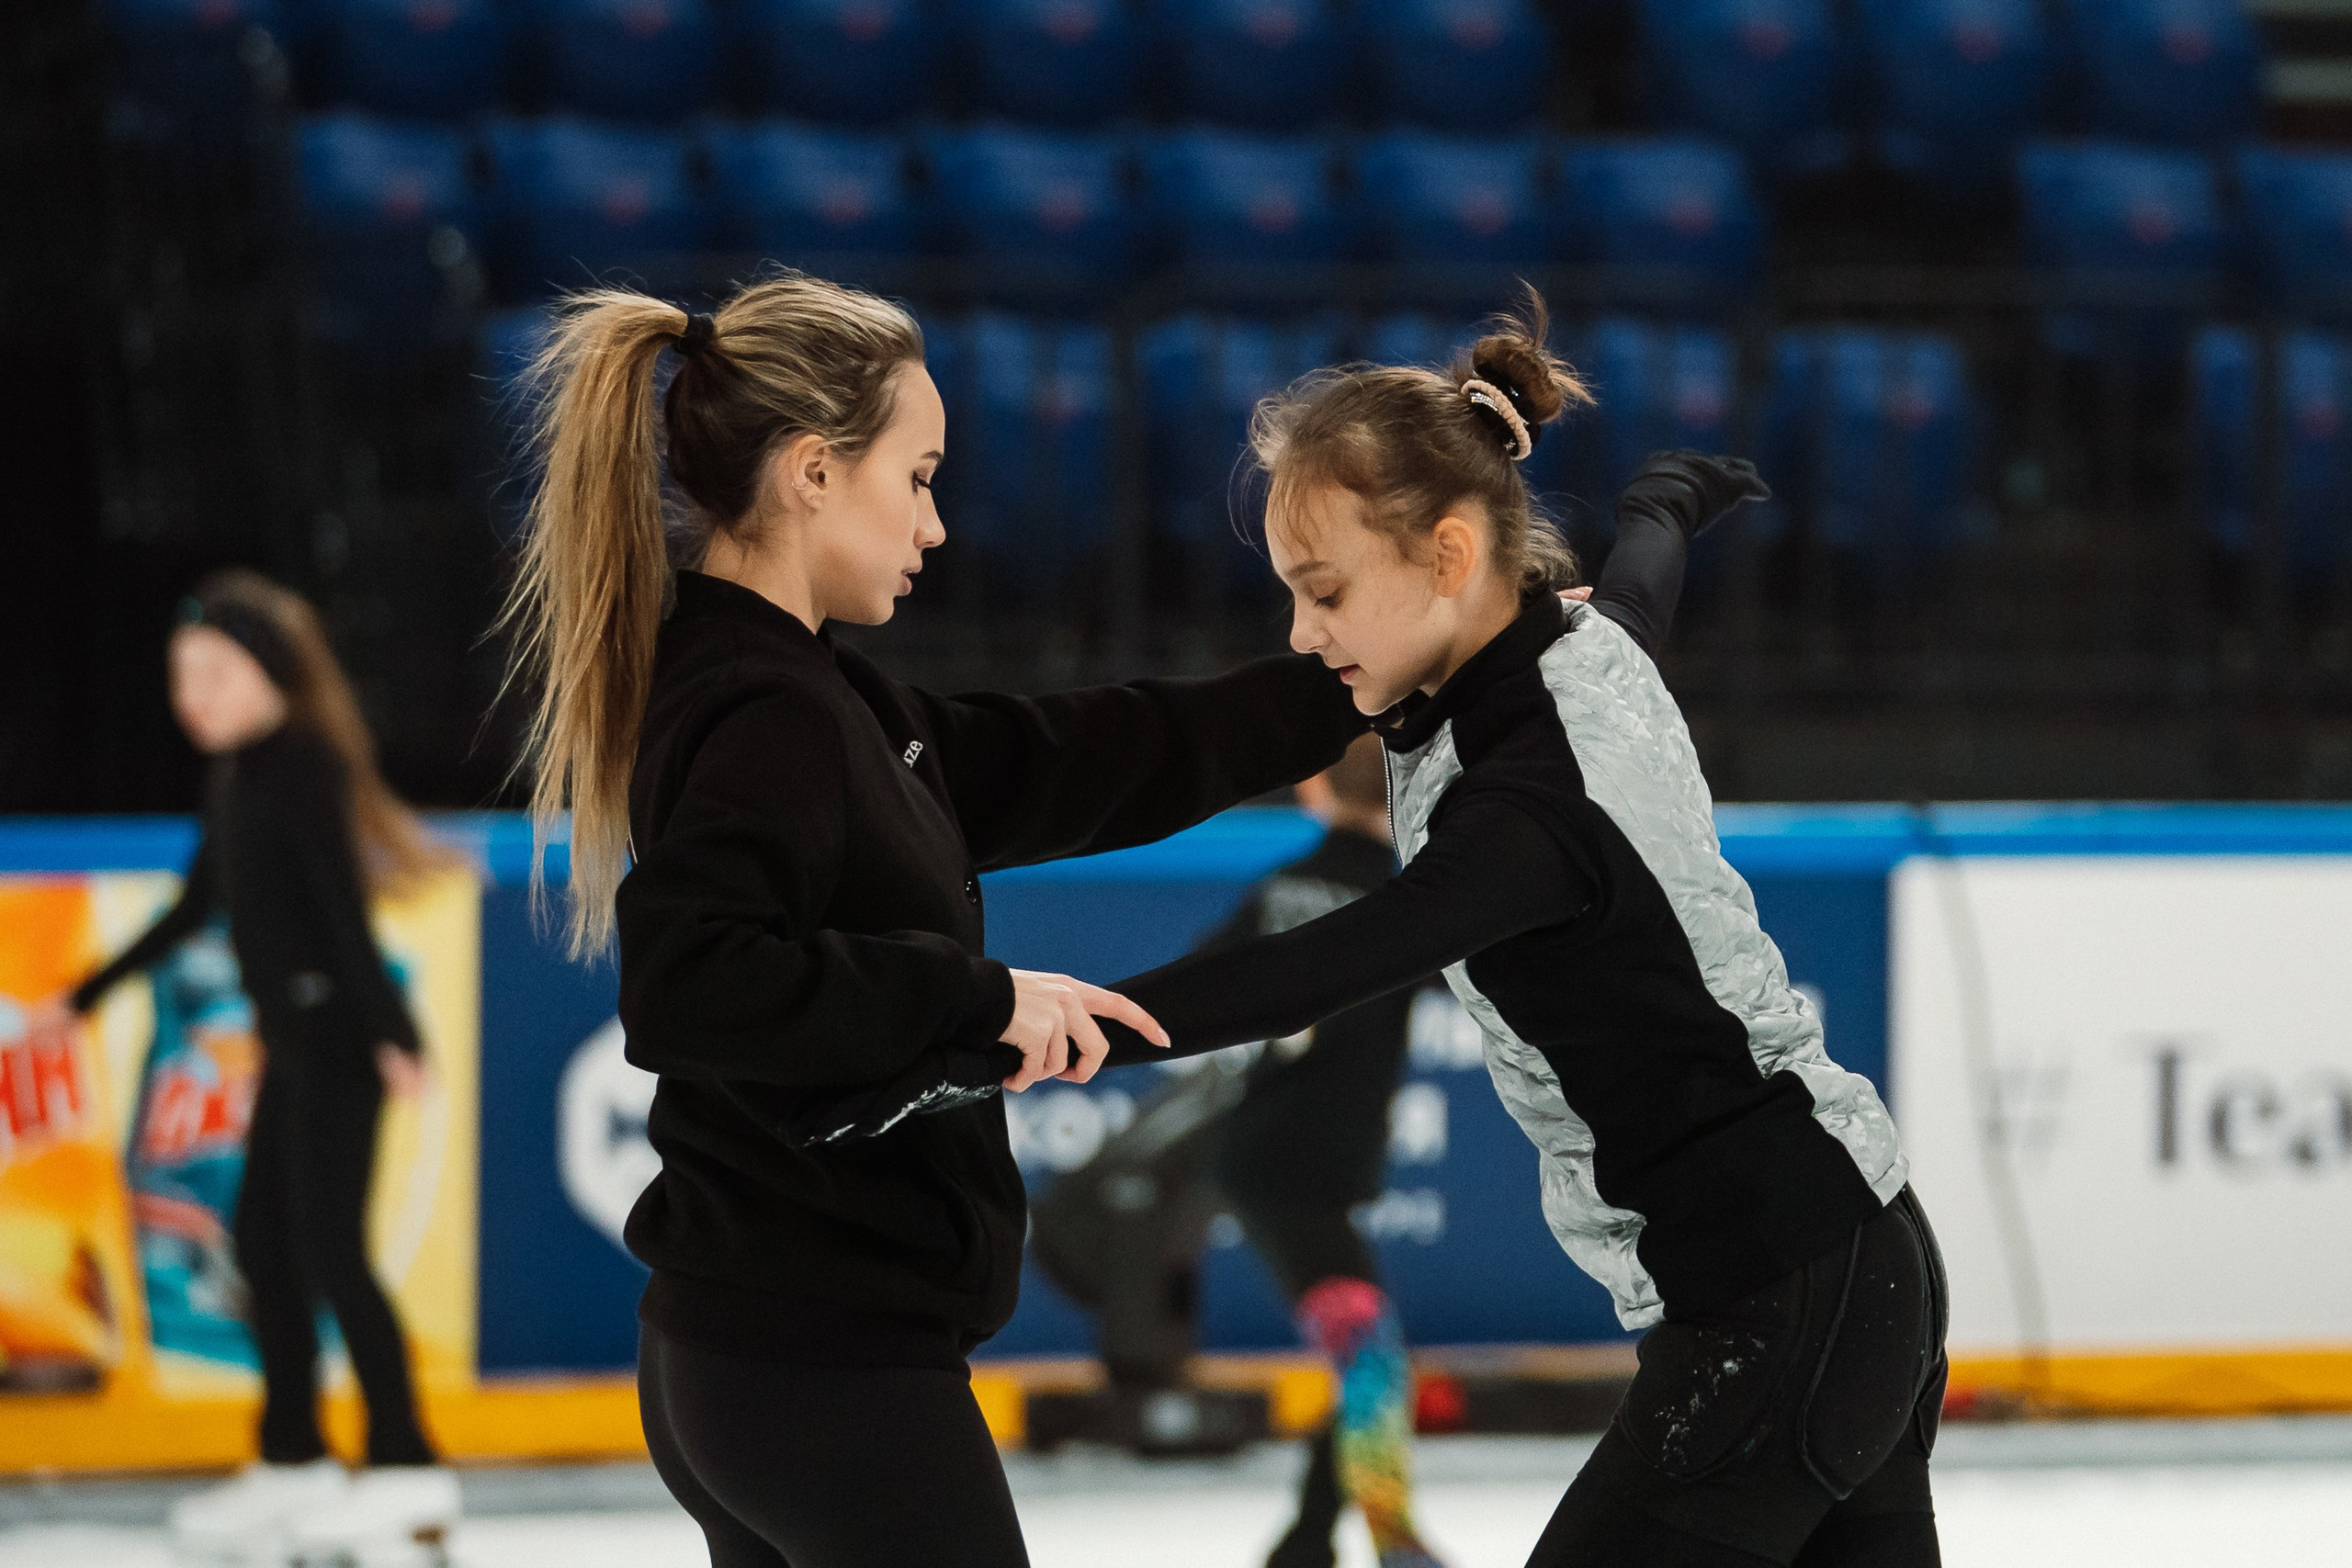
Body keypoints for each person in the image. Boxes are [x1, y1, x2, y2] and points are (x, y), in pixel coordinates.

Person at [825, 293, 1945, 1568]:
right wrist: (1665, 502)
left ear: (1451, 557)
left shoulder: (1526, 808)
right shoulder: (1574, 649)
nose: (1302, 635)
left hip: (1781, 1295)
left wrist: (998, 1038)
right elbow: (1637, 592)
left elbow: (1317, 963)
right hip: (1857, 1252)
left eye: (1324, 591)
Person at [498, 273, 1377, 1568]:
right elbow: (696, 981)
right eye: (916, 477)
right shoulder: (766, 708)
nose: (938, 523)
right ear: (811, 473)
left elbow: (1087, 752)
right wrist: (980, 999)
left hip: (765, 1365)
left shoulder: (811, 690)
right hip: (819, 1373)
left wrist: (1354, 682)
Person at [40, 570, 461, 1562]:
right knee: (264, 1249)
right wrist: (83, 998)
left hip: (340, 1045)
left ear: (271, 675)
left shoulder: (304, 763)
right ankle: (294, 1456)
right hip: (294, 1047)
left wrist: (395, 1033)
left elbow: (341, 915)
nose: (194, 696)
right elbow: (195, 907)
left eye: (216, 673)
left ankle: (408, 1468)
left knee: (329, 1255)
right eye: (182, 676)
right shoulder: (236, 775)